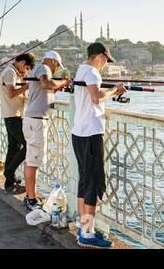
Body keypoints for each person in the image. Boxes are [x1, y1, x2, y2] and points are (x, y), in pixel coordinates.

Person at [72, 43, 125, 248]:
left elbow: (90, 95)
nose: (105, 65)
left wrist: (107, 91)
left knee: (85, 182)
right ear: (101, 56)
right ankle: (87, 233)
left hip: (79, 132)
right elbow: (96, 97)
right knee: (95, 185)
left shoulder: (81, 69)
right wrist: (115, 89)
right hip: (91, 133)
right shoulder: (93, 72)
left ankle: (83, 226)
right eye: (106, 60)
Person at [23, 51, 71, 211]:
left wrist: (59, 86)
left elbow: (44, 90)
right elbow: (46, 84)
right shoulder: (44, 68)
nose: (57, 68)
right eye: (57, 64)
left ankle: (29, 195)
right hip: (37, 121)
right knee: (33, 162)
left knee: (31, 160)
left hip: (33, 119)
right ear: (52, 61)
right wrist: (63, 81)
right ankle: (31, 199)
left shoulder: (38, 68)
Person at [0, 53, 36, 192]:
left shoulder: (13, 72)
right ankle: (9, 172)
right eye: (26, 67)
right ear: (21, 63)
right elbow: (11, 93)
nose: (26, 70)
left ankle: (9, 182)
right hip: (12, 115)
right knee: (28, 144)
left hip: (12, 114)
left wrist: (24, 80)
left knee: (13, 147)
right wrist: (27, 86)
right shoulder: (10, 72)